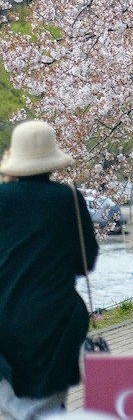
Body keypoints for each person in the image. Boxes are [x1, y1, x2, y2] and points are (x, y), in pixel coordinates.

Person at [0, 120, 99, 418]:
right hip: (54, 322)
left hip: (3, 319)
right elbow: (86, 262)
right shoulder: (67, 198)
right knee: (47, 409)